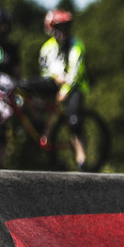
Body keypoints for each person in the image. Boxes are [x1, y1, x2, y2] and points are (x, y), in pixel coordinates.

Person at [37, 9, 92, 170]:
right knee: (28, 89)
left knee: (74, 122)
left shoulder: (76, 45)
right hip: (55, 85)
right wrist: (55, 78)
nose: (63, 30)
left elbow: (76, 72)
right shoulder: (47, 48)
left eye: (65, 26)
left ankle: (82, 160)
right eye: (59, 26)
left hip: (75, 87)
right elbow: (44, 71)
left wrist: (65, 90)